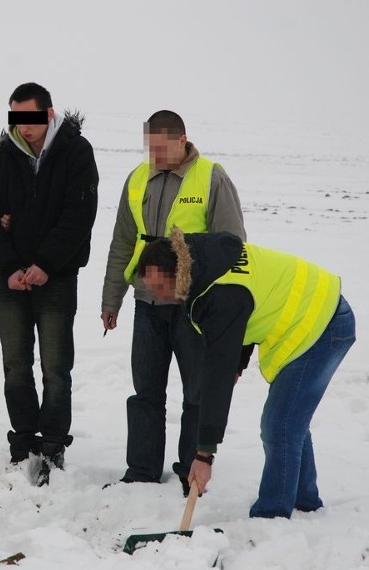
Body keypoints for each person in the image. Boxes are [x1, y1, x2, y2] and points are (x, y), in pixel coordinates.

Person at [137, 228, 356, 518]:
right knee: (290, 419)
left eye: (159, 286)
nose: (157, 296)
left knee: (279, 423)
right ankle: (304, 501)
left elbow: (216, 375)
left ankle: (272, 515)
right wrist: (238, 362)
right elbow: (249, 307)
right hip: (318, 314)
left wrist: (204, 454)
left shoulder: (219, 293)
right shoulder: (206, 261)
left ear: (177, 271)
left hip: (322, 325)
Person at [100, 110, 246, 493]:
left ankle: (190, 471)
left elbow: (233, 247)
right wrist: (111, 297)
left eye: (162, 148)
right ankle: (142, 470)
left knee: (197, 392)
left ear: (182, 140)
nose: (156, 156)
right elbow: (122, 241)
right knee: (145, 391)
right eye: (150, 148)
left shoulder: (213, 178)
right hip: (146, 303)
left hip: (192, 308)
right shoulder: (137, 178)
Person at [0, 82, 98, 484]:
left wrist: (46, 263)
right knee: (15, 366)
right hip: (11, 281)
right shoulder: (4, 158)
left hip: (57, 279)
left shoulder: (76, 153)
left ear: (48, 114)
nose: (23, 127)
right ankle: (24, 439)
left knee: (55, 368)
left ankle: (53, 444)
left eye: (30, 118)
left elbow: (78, 216)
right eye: (16, 118)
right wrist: (9, 266)